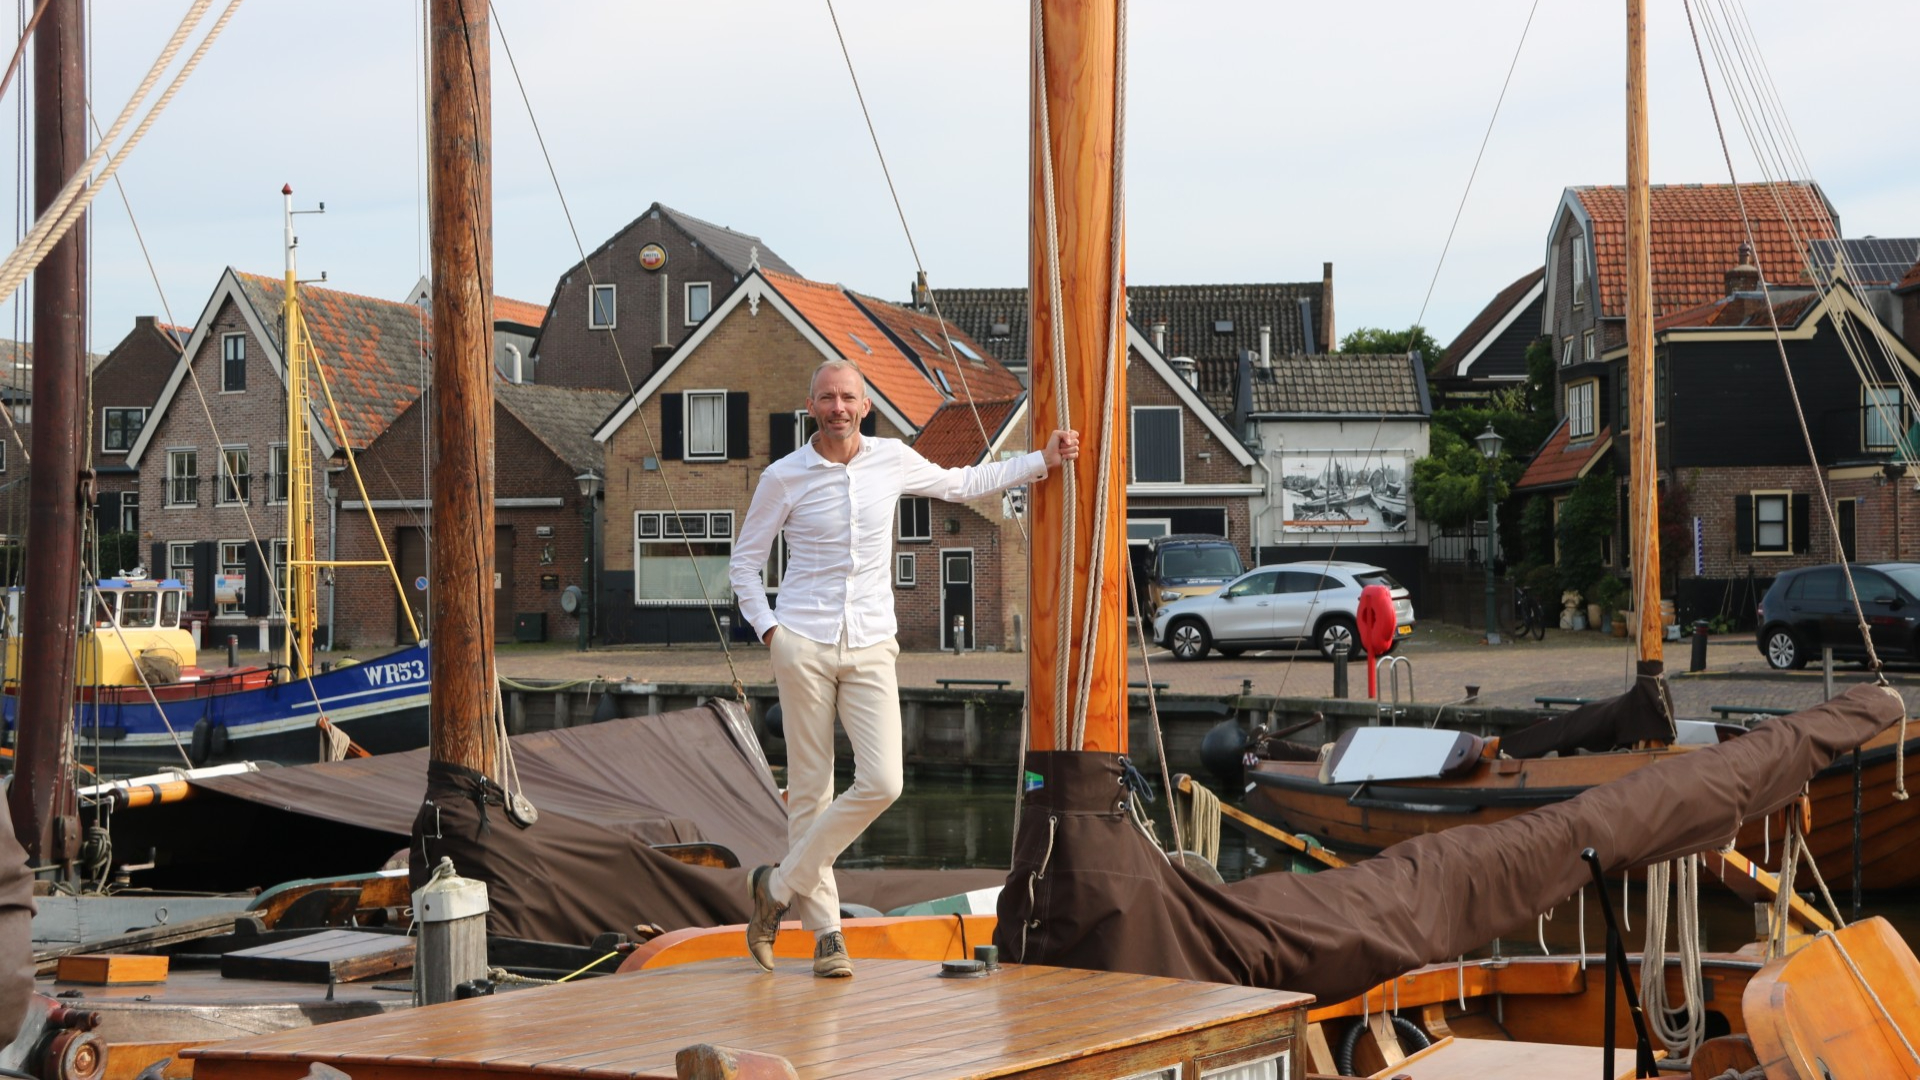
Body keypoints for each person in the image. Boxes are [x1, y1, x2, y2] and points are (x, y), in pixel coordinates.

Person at [728, 358, 1079, 978]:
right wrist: (772, 633)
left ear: (865, 407)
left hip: (870, 644)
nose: (838, 407)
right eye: (827, 398)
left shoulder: (890, 458)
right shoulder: (783, 477)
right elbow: (743, 565)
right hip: (801, 641)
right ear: (811, 406)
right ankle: (827, 935)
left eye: (848, 398)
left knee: (884, 781)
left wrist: (1040, 460)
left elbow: (964, 483)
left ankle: (776, 888)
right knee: (810, 790)